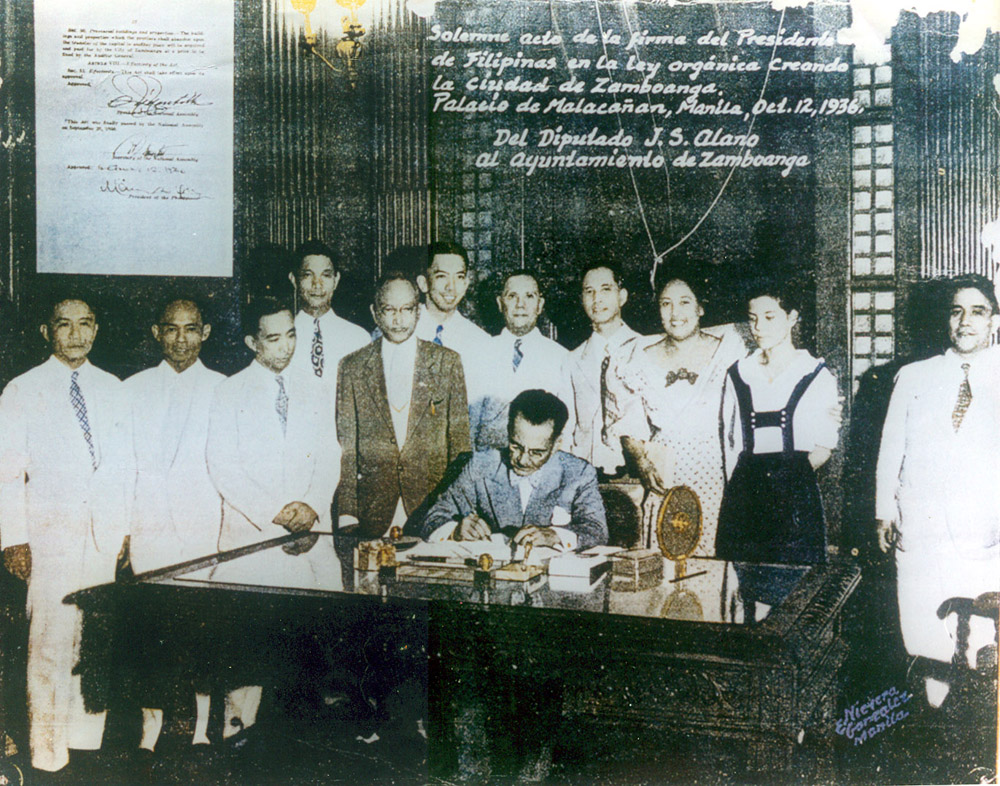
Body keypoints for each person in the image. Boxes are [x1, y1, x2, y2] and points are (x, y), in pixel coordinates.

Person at [0, 298, 131, 773]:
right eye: (64, 325)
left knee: (92, 641)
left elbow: (125, 469)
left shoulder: (113, 389)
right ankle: (47, 753)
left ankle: (84, 744)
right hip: (48, 536)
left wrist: (126, 532)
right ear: (46, 331)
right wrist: (13, 539)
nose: (76, 334)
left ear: (96, 329)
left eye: (84, 324)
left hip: (103, 536)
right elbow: (6, 474)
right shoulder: (22, 390)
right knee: (49, 642)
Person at [206, 296, 342, 740]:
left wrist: (312, 508)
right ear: (251, 341)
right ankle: (237, 741)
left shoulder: (314, 387)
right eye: (273, 338)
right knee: (247, 655)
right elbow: (223, 465)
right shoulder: (229, 391)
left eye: (291, 335)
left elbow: (330, 456)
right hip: (253, 539)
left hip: (310, 538)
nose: (285, 347)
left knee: (313, 653)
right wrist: (278, 513)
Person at [875, 274, 1000, 708]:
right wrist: (883, 511)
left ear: (994, 321)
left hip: (984, 536)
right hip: (920, 531)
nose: (965, 321)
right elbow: (892, 448)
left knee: (981, 644)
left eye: (977, 311)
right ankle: (935, 727)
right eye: (956, 310)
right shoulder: (914, 376)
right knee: (924, 641)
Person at [125, 298, 225, 752]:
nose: (181, 338)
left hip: (204, 528)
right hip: (149, 529)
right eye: (171, 329)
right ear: (156, 332)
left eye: (190, 329)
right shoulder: (131, 389)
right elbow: (122, 468)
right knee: (150, 634)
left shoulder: (225, 389)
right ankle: (151, 731)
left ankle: (202, 729)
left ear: (205, 332)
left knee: (202, 631)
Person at [605, 271, 749, 556]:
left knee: (712, 562)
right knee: (666, 558)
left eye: (684, 302)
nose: (675, 313)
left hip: (715, 474)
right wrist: (642, 462)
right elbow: (627, 422)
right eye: (665, 303)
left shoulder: (731, 351)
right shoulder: (634, 357)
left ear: (700, 307)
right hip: (663, 473)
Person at [716, 281, 840, 575]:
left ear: (793, 317)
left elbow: (824, 447)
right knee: (742, 583)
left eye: (770, 317)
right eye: (753, 318)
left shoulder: (817, 375)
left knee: (795, 585)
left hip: (796, 495)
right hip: (746, 494)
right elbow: (729, 443)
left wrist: (787, 481)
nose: (759, 327)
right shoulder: (738, 373)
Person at [337, 272, 471, 538]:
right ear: (375, 313)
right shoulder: (352, 367)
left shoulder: (447, 363)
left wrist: (458, 511)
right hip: (372, 513)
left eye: (407, 309)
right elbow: (347, 449)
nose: (398, 320)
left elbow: (460, 446)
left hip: (433, 511)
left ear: (418, 312)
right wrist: (347, 514)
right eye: (389, 310)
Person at [421, 389, 608, 552]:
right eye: (516, 446)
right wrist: (455, 530)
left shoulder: (579, 473)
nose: (523, 460)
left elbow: (597, 530)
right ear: (509, 431)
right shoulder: (481, 465)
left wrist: (554, 535)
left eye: (537, 452)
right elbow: (433, 519)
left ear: (556, 444)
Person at [470, 270, 572, 451]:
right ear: (500, 303)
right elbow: (468, 424)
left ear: (540, 305)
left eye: (529, 296)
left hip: (539, 466)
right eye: (512, 296)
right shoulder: (478, 352)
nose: (520, 304)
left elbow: (567, 428)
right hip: (486, 466)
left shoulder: (562, 357)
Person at [567, 264, 642, 475]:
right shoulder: (572, 360)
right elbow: (567, 426)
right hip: (586, 472)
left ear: (622, 296)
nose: (596, 299)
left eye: (606, 289)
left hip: (634, 473)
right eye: (589, 291)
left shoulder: (645, 349)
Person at [286, 239, 370, 402]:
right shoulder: (281, 338)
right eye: (308, 275)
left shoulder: (358, 338)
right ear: (294, 280)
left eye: (326, 275)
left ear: (336, 280)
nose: (317, 285)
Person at [414, 241, 491, 404]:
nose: (451, 287)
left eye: (459, 277)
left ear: (466, 284)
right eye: (442, 276)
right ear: (423, 283)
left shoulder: (481, 342)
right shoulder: (401, 332)